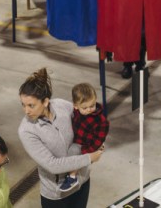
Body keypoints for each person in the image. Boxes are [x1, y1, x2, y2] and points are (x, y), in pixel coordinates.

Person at [18, 68, 103, 207]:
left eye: (31, 105)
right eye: (23, 104)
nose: (26, 110)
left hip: (82, 182)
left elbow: (87, 120)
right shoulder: (27, 130)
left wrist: (96, 142)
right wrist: (89, 158)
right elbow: (53, 165)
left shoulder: (62, 106)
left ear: (45, 102)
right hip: (57, 196)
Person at [59, 83, 109, 193]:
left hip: (87, 145)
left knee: (73, 151)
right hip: (76, 139)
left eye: (92, 105)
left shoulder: (101, 121)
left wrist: (86, 151)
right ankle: (68, 169)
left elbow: (99, 140)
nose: (89, 110)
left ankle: (72, 177)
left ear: (95, 100)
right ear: (75, 106)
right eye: (85, 108)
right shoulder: (76, 112)